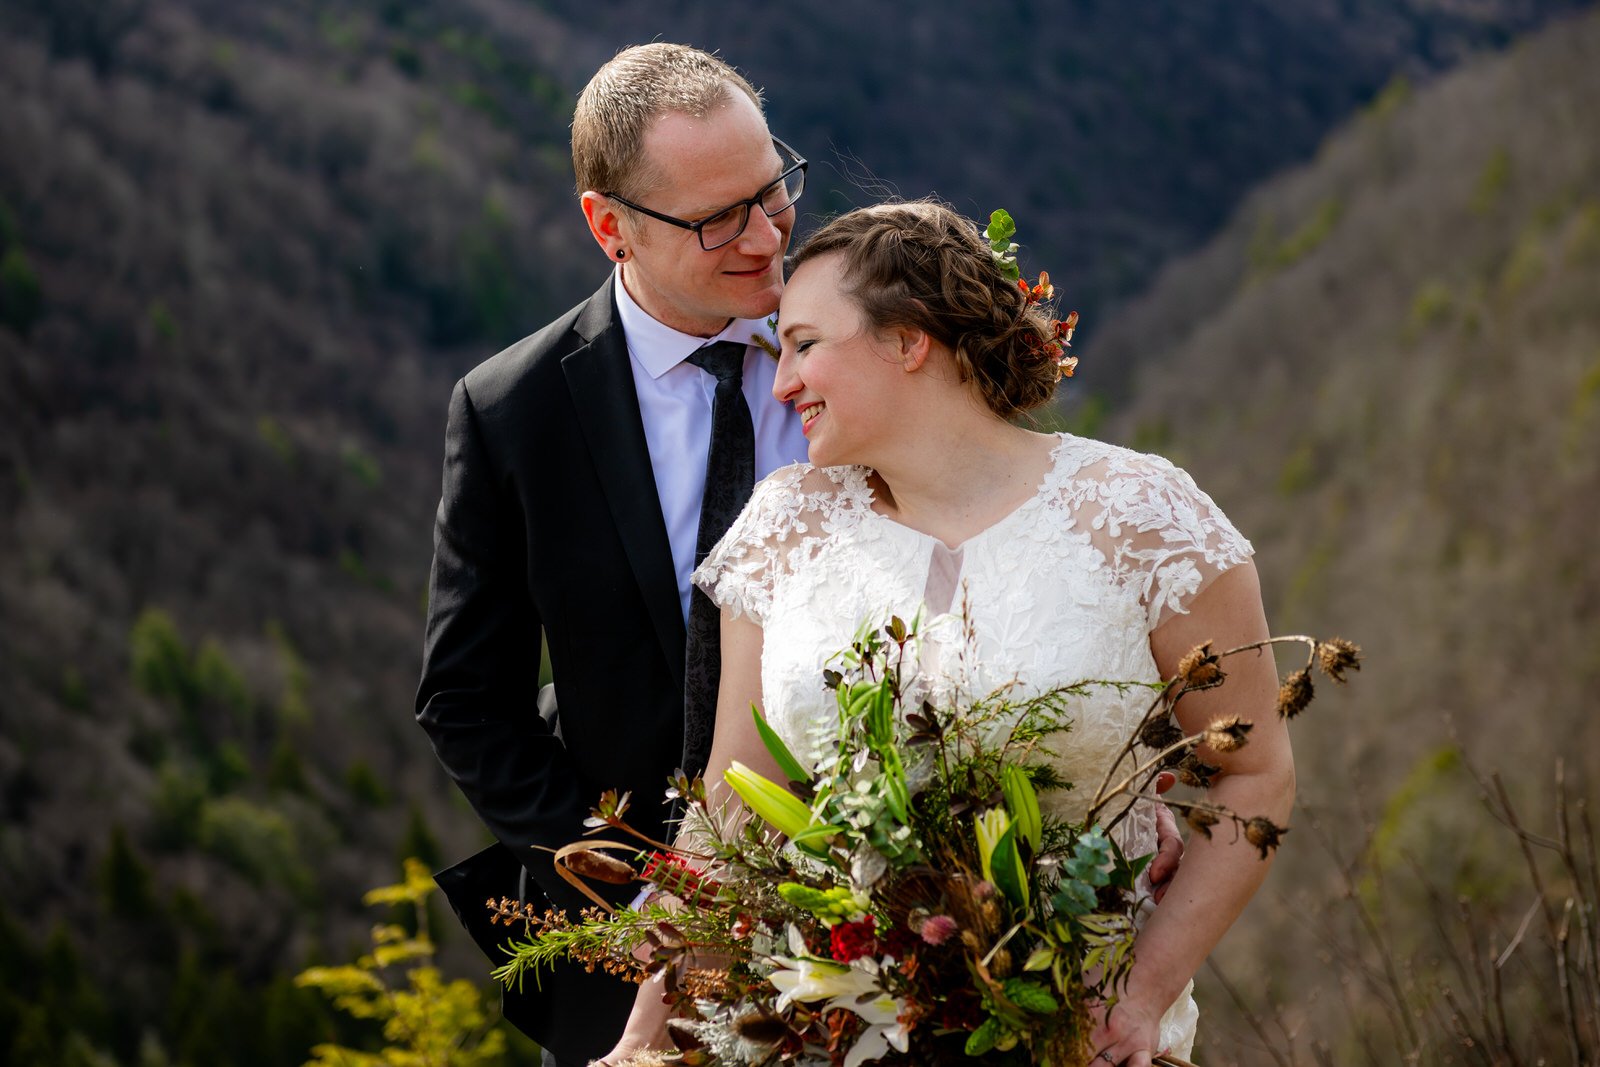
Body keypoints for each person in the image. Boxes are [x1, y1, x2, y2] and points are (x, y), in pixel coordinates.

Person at [419, 44, 1182, 1065]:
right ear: (611, 228)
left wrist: (1115, 778)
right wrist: (637, 887)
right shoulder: (513, 411)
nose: (765, 233)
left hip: (943, 924)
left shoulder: (869, 321)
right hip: (651, 954)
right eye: (715, 218)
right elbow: (467, 699)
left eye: (772, 189)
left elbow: (1028, 549)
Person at [599, 201, 1295, 1067]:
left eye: (807, 344)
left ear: (908, 339)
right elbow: (734, 808)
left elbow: (1255, 773)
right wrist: (648, 1029)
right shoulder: (784, 527)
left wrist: (1139, 997)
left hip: (1075, 1034)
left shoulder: (1144, 515)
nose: (781, 384)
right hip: (826, 1031)